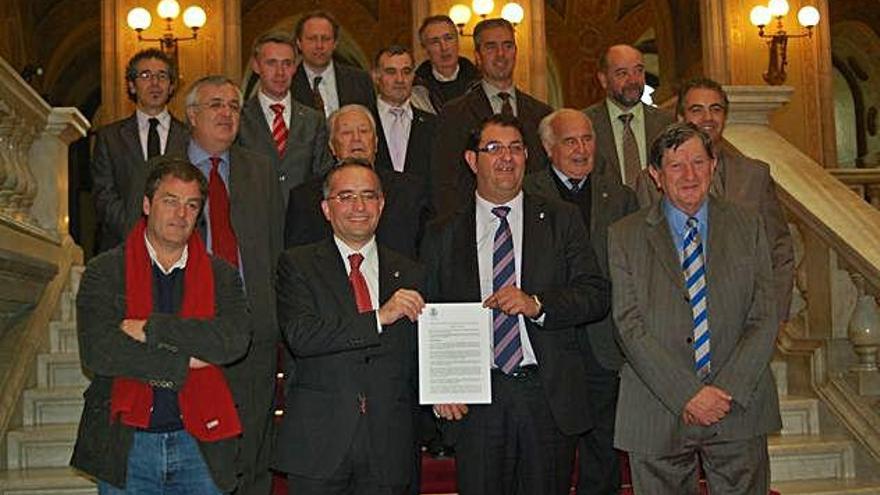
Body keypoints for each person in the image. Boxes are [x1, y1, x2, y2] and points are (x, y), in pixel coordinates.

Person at [422, 114, 610, 495]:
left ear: (527, 157)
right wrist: (442, 386)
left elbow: (595, 293)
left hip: (546, 393)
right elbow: (428, 313)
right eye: (493, 148)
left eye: (515, 149)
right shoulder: (442, 232)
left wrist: (537, 304)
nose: (506, 158)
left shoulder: (561, 219)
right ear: (472, 161)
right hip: (476, 398)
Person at [608, 122, 781, 495]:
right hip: (656, 407)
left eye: (698, 162)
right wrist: (687, 394)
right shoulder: (624, 235)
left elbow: (765, 315)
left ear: (713, 165)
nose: (689, 175)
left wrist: (725, 390)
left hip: (738, 405)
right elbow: (629, 323)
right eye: (675, 166)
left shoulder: (748, 225)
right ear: (655, 175)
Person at [71, 157, 250, 494]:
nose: (181, 214)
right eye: (170, 201)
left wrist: (153, 329)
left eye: (191, 205)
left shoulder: (221, 275)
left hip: (202, 443)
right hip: (127, 444)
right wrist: (185, 362)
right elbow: (100, 351)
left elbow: (233, 340)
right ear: (146, 204)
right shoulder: (104, 271)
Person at [273, 161, 426, 495]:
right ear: (327, 209)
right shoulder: (296, 265)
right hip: (319, 445)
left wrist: (449, 390)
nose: (359, 207)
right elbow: (302, 335)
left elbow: (423, 353)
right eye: (346, 197)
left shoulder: (411, 272)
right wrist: (378, 317)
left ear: (381, 205)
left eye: (368, 196)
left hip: (389, 445)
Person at [523, 108, 638, 495]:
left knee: (602, 454)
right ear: (547, 147)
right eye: (570, 140)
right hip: (547, 344)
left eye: (587, 139)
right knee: (549, 457)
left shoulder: (620, 196)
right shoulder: (526, 192)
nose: (581, 148)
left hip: (604, 345)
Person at [181, 75, 284, 494]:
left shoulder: (259, 169)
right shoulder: (167, 171)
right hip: (191, 328)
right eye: (215, 105)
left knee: (254, 441)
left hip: (253, 327)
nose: (227, 114)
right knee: (197, 445)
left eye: (234, 106)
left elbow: (277, 246)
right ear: (191, 115)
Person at [634, 76, 794, 325]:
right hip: (678, 323)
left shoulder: (755, 175)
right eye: (697, 110)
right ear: (679, 118)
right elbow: (646, 258)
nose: (707, 118)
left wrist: (775, 318)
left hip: (746, 319)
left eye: (715, 109)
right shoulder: (652, 180)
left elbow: (779, 250)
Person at [431, 18, 552, 217]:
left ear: (515, 51)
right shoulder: (454, 114)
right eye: (491, 47)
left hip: (532, 223)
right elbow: (444, 183)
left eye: (507, 46)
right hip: (474, 224)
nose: (501, 55)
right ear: (477, 56)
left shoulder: (541, 114)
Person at [285, 104, 431, 259]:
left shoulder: (409, 191)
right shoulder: (305, 198)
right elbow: (297, 262)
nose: (356, 139)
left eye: (364, 131)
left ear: (375, 142)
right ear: (332, 146)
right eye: (346, 132)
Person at [92, 48, 189, 252]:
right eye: (145, 75)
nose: (155, 83)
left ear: (171, 86)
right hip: (123, 246)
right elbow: (104, 195)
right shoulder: (110, 137)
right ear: (132, 85)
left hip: (178, 247)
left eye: (162, 76)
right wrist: (138, 232)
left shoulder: (189, 136)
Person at [238, 31, 333, 208]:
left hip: (302, 222)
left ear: (295, 67)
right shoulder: (239, 118)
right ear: (256, 66)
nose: (280, 72)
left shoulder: (314, 120)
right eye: (271, 63)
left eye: (287, 64)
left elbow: (323, 176)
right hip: (254, 220)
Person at [584, 44, 673, 188]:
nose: (633, 80)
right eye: (622, 73)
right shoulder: (586, 124)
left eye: (638, 71)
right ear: (603, 79)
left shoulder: (667, 122)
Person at [291, 10, 376, 118]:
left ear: (335, 43)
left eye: (325, 39)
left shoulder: (360, 81)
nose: (319, 45)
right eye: (312, 39)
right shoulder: (288, 82)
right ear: (299, 43)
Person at [372, 45, 437, 181]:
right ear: (376, 76)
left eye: (406, 72)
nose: (400, 79)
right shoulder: (363, 122)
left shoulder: (434, 125)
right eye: (391, 72)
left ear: (413, 76)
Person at [412, 15, 479, 114]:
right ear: (425, 48)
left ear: (457, 41)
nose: (444, 47)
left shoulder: (479, 81)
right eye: (435, 42)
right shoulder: (416, 89)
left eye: (448, 38)